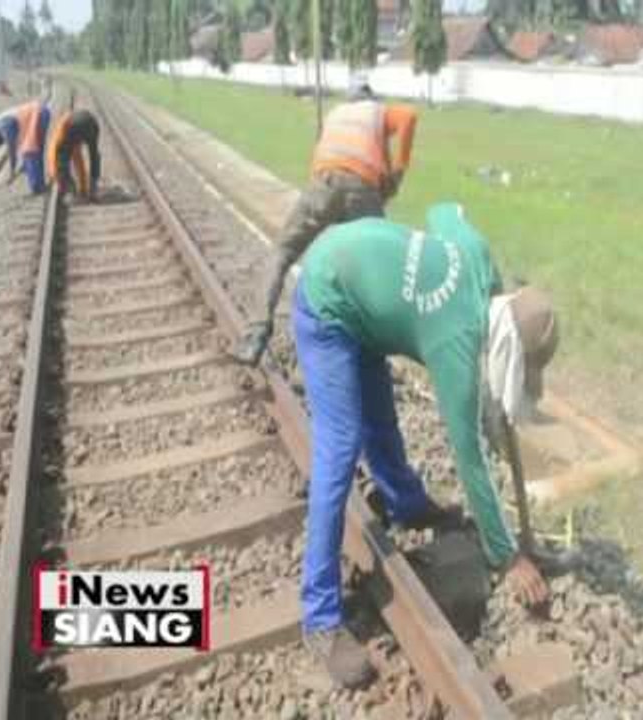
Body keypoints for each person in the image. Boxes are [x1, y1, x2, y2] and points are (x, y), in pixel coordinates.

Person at [293, 202, 558, 689]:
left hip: (363, 283)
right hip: (329, 299)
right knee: (340, 447)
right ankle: (319, 617)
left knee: (381, 418)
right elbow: (470, 460)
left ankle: (408, 504)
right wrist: (507, 556)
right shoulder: (455, 346)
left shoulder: (479, 259)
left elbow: (445, 212)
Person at [232, 78, 419, 366]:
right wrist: (400, 171)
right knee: (377, 267)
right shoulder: (377, 111)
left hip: (323, 183)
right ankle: (384, 348)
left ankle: (256, 333)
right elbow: (409, 117)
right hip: (361, 188)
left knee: (281, 252)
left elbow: (323, 161)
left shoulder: (335, 114)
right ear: (370, 98)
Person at [0, 99, 51, 194]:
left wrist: (12, 170)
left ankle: (37, 188)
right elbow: (20, 146)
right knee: (33, 152)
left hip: (38, 114)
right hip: (41, 112)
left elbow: (11, 149)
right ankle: (40, 186)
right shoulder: (4, 118)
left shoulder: (1, 123)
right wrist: (23, 166)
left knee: (30, 153)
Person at [47, 107, 101, 202]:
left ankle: (70, 190)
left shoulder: (59, 138)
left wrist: (57, 177)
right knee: (94, 155)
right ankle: (93, 189)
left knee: (62, 159)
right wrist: (83, 188)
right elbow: (79, 163)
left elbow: (53, 160)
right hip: (92, 121)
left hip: (74, 124)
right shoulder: (69, 137)